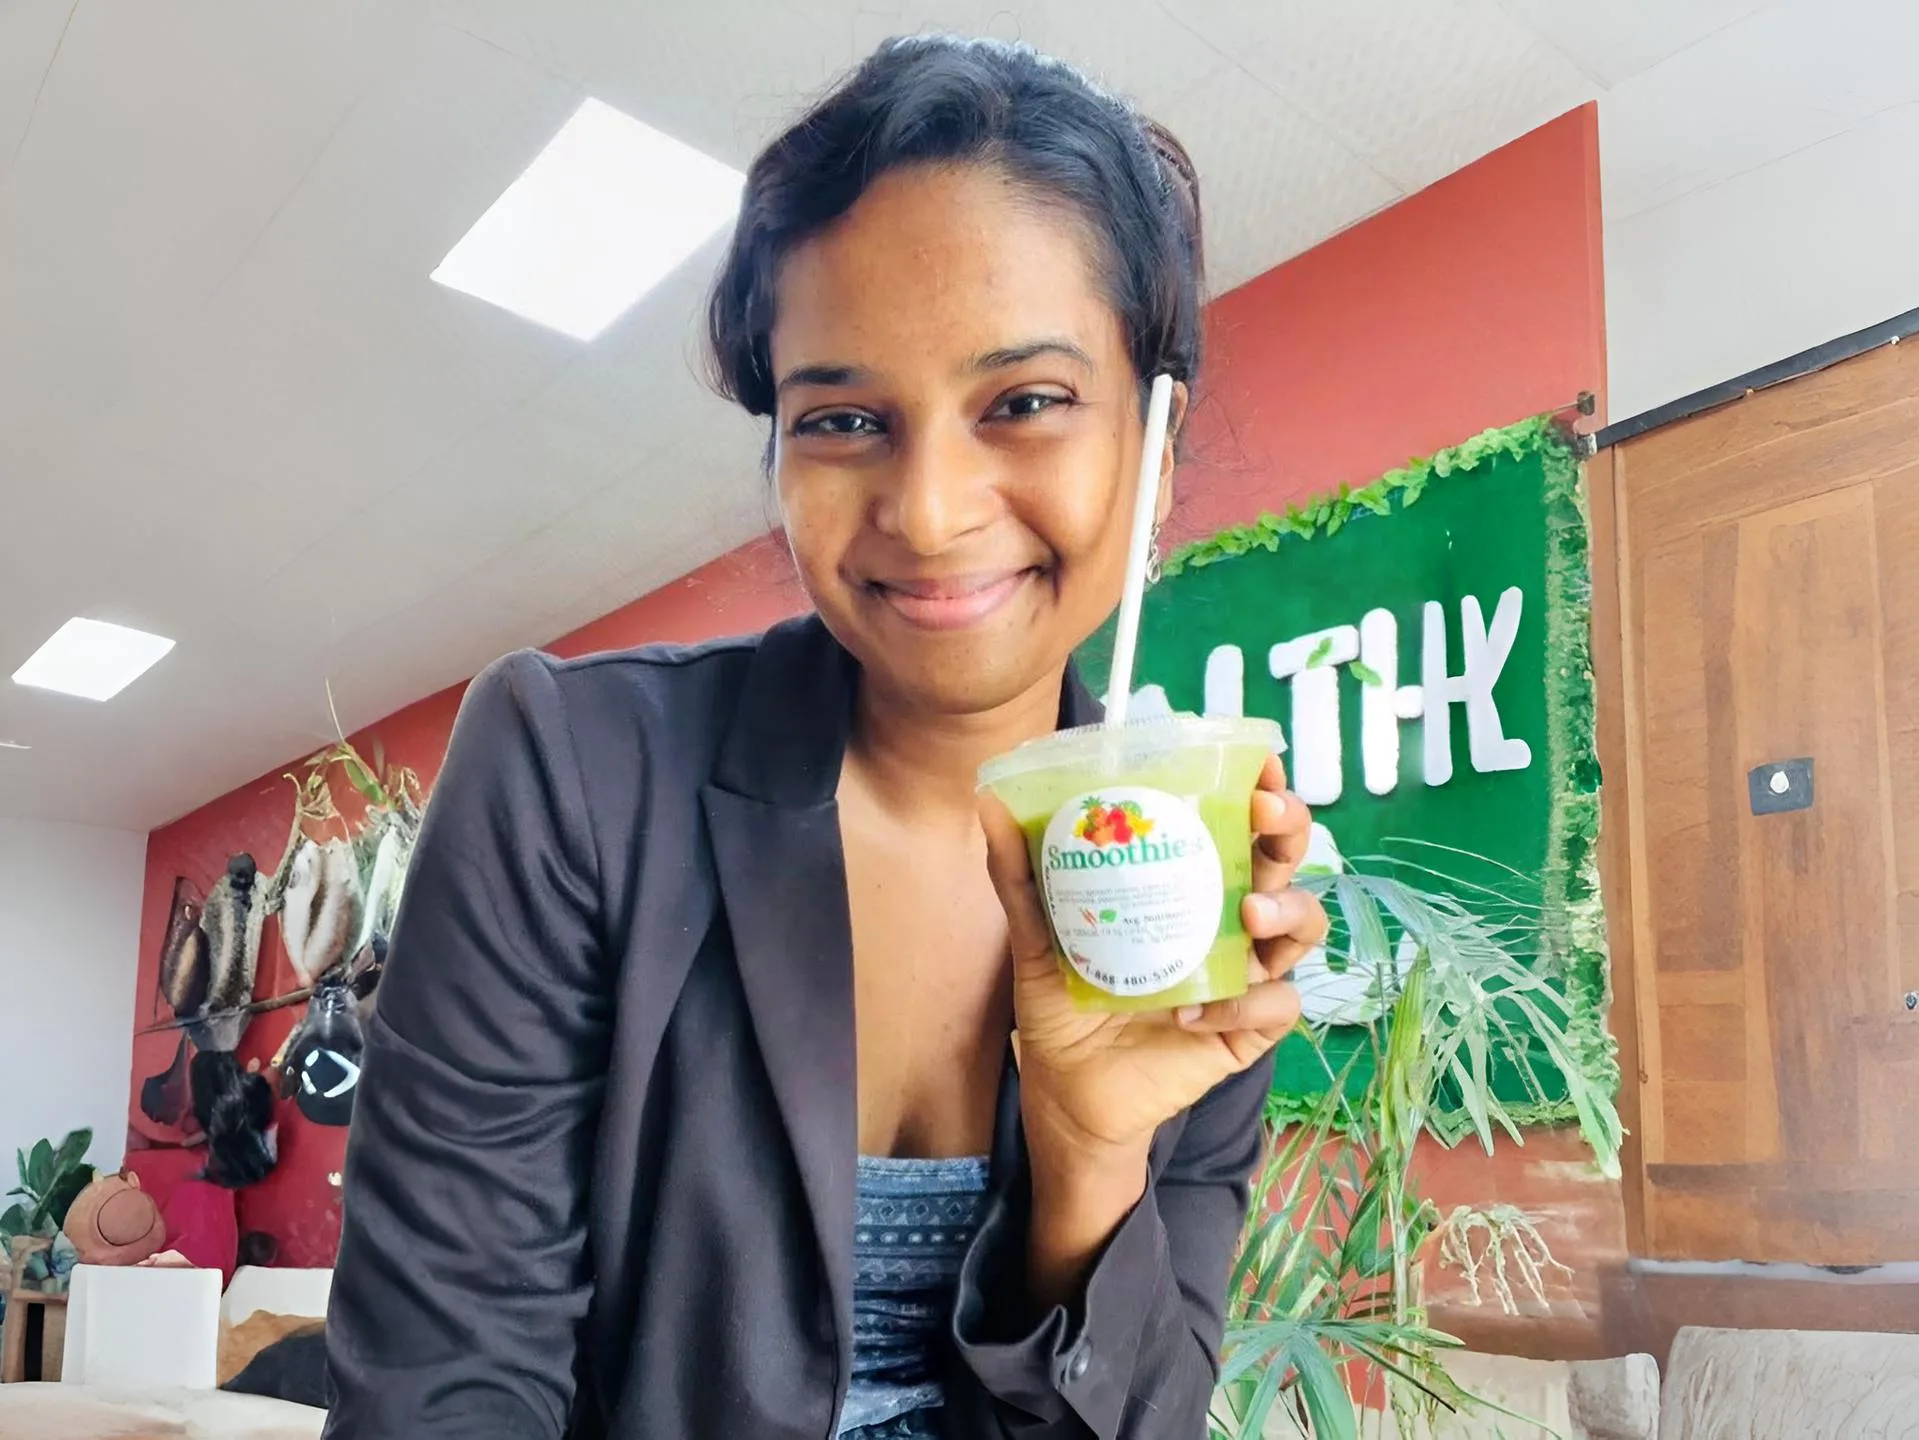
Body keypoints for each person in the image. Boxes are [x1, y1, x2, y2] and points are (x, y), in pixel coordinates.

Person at [323, 34, 1328, 1440]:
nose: (930, 509)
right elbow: (445, 1388)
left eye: (1025, 403)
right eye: (845, 419)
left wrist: (1091, 1163)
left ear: (1154, 446)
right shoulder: (576, 779)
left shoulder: (1199, 897)